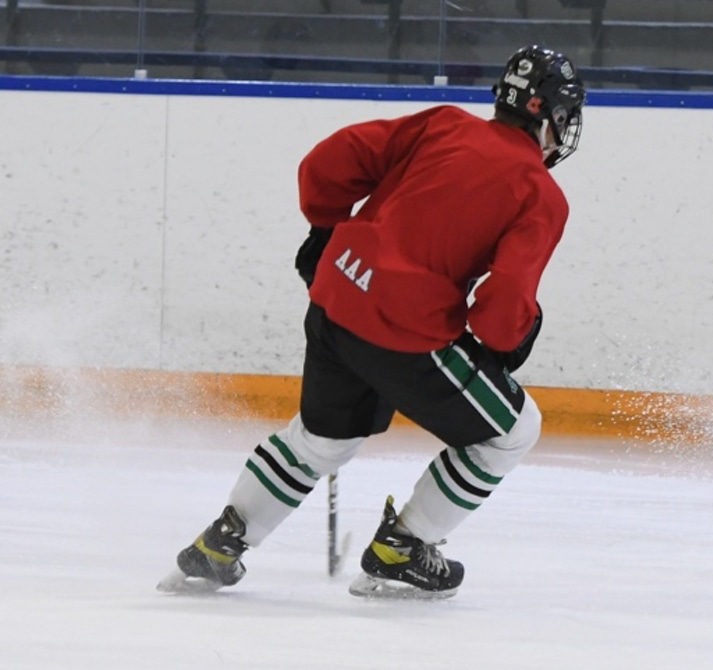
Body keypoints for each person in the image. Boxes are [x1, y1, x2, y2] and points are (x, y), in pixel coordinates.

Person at [157, 44, 586, 599]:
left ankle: (221, 543)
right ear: (547, 113)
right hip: (406, 332)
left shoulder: (443, 124)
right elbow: (504, 309)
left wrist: (326, 229)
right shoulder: (540, 193)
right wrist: (510, 337)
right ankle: (402, 548)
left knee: (322, 440)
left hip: (337, 295)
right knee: (512, 432)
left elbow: (327, 164)